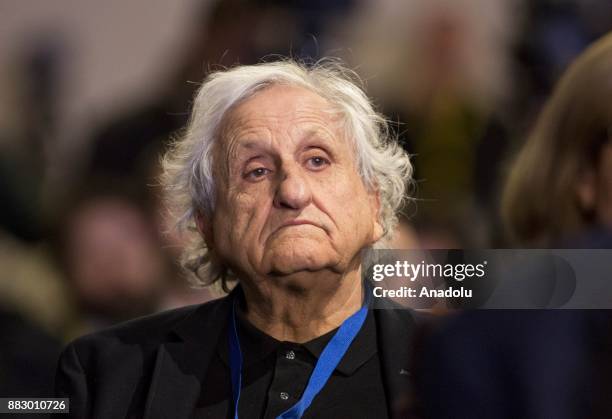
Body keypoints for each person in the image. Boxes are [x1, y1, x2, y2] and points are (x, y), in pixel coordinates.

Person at [55, 59, 421, 419]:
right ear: (208, 224)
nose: (292, 191)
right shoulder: (101, 374)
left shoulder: (458, 363)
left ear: (375, 204)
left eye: (317, 161)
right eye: (256, 171)